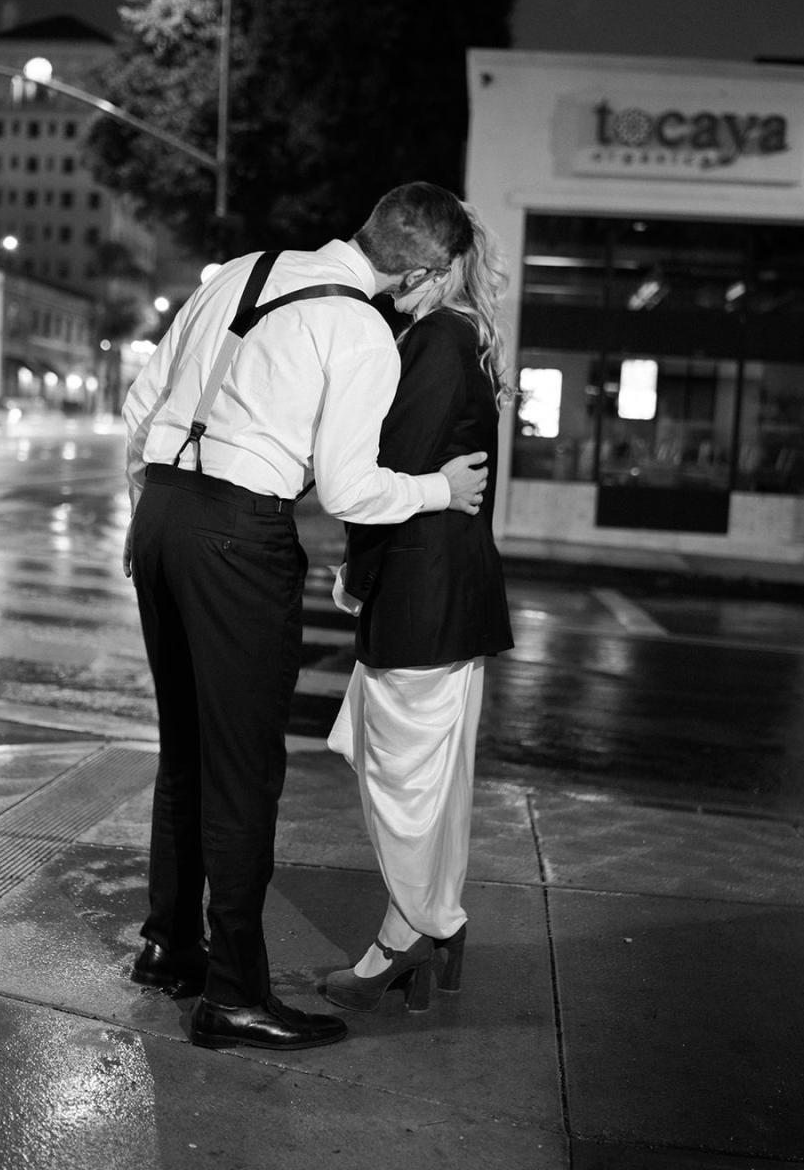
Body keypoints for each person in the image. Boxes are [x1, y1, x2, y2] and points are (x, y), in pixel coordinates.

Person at [121, 183, 491, 1052]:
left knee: (186, 749)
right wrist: (443, 487)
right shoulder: (361, 328)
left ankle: (170, 946)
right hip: (238, 535)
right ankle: (235, 995)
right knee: (245, 768)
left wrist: (149, 520)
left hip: (164, 510)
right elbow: (353, 487)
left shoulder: (243, 271)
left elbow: (141, 407)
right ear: (424, 271)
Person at [324, 203, 514, 1014]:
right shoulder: (461, 337)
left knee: (401, 781)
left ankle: (414, 933)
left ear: (442, 270)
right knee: (427, 780)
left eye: (413, 272)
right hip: (447, 593)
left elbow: (387, 473)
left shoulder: (436, 341)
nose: (395, 286)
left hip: (419, 591)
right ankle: (423, 931)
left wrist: (357, 574)